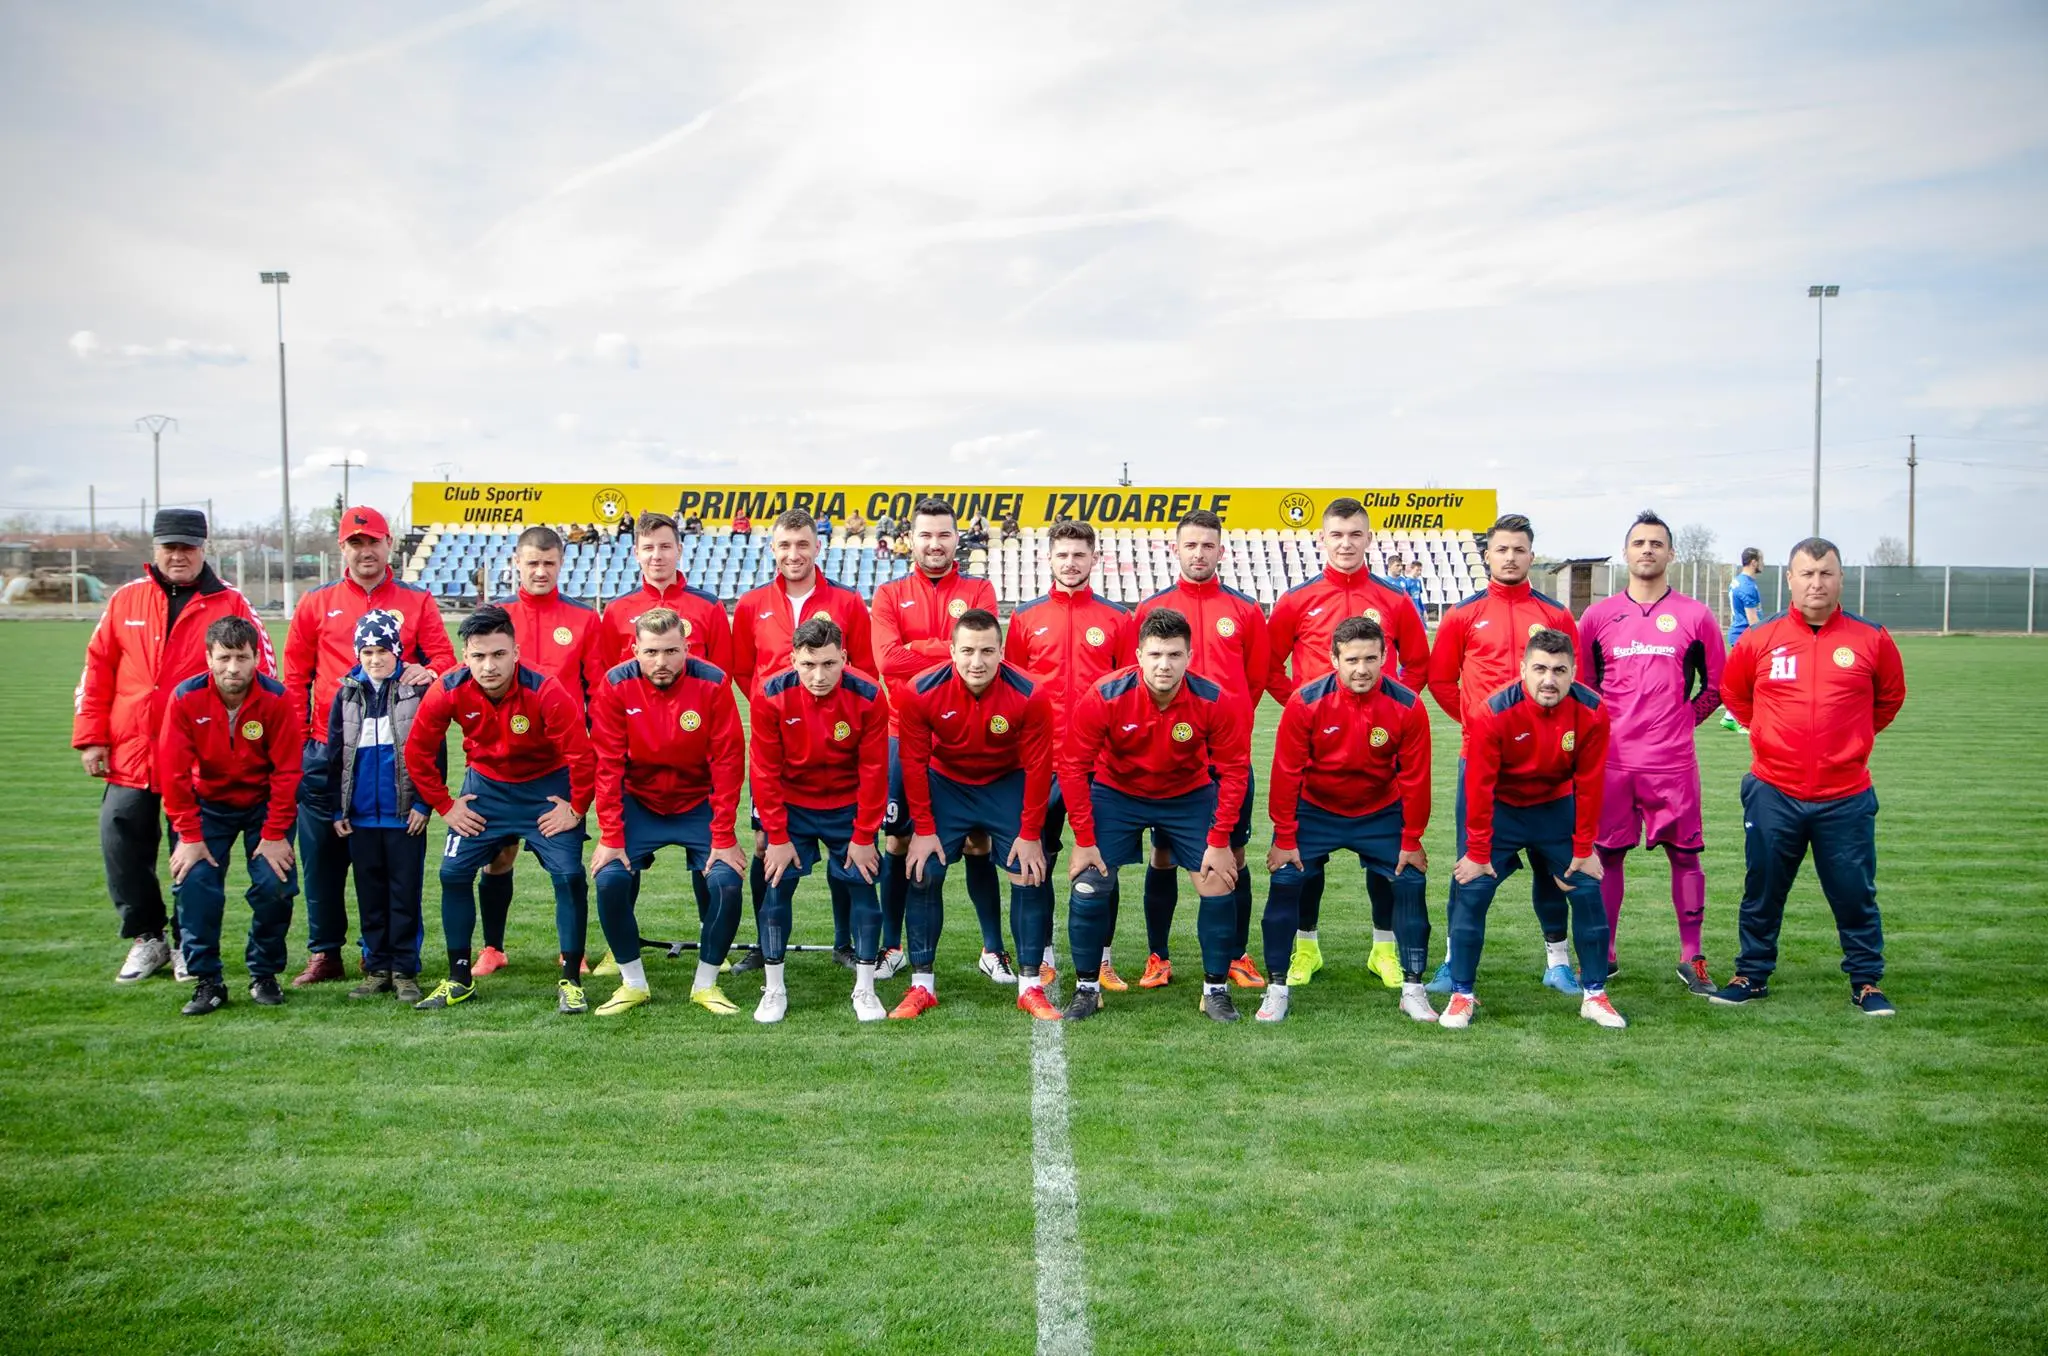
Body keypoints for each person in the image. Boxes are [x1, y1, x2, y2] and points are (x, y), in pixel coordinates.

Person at [74, 508, 271, 985]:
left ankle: (187, 943)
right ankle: (148, 937)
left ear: (203, 549)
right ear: (155, 549)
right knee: (121, 842)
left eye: (187, 547)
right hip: (132, 751)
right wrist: (92, 737)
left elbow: (261, 675)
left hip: (201, 756)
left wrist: (241, 746)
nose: (178, 555)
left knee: (192, 849)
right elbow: (97, 668)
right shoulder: (127, 599)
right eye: (170, 547)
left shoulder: (231, 602)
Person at [1712, 537, 1906, 1016]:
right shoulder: (1760, 638)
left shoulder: (1871, 638)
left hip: (1845, 795)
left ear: (1840, 579)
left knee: (1854, 892)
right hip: (1773, 790)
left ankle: (1866, 982)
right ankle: (1751, 974)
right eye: (1807, 573)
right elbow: (1735, 695)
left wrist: (1848, 740)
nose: (1816, 583)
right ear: (1790, 580)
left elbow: (1889, 699)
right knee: (1762, 889)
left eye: (1826, 573)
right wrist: (1773, 736)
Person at [1265, 498, 1432, 990]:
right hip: (1316, 758)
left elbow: (1418, 663)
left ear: (1369, 539)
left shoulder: (1394, 600)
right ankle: (1306, 949)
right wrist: (1304, 709)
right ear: (1322, 539)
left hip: (1377, 759)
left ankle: (1384, 951)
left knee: (1387, 866)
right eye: (1336, 534)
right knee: (1305, 866)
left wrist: (1391, 711)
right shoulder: (1296, 599)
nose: (1345, 543)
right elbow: (1270, 666)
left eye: (1355, 534)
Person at [283, 506, 454, 988]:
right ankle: (325, 952)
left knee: (389, 868)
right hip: (328, 749)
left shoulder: (417, 600)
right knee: (322, 860)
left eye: (373, 541)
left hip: (394, 752)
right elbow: (295, 676)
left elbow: (444, 659)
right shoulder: (316, 602)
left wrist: (429, 671)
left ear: (388, 544)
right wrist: (298, 745)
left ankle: (382, 957)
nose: (365, 551)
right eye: (355, 543)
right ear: (343, 549)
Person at [1057, 609, 1253, 1024]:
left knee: (1218, 881)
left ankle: (1215, 992)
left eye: (1174, 655)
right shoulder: (1105, 695)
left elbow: (1234, 772)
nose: (1165, 665)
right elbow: (1073, 766)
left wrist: (1220, 840)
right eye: (1156, 655)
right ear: (1138, 656)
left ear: (1189, 657)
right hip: (1118, 793)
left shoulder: (1214, 699)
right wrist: (1085, 839)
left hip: (1187, 795)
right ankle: (1087, 988)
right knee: (1089, 883)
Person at [404, 606, 596, 1014]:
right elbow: (417, 751)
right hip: (486, 788)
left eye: (498, 654)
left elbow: (582, 754)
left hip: (545, 788)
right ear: (465, 656)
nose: (488, 666)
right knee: (452, 873)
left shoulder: (545, 689)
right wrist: (445, 806)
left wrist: (576, 808)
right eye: (478, 656)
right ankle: (459, 978)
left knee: (569, 874)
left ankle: (571, 979)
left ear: (516, 652)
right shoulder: (448, 687)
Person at [1425, 512, 1582, 995]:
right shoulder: (1463, 614)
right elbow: (1440, 681)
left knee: (1554, 868)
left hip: (1549, 764)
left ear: (1531, 556)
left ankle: (1558, 962)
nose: (1510, 557)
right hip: (1484, 764)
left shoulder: (1555, 615)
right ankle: (1453, 962)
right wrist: (1478, 727)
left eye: (1519, 550)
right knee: (1469, 866)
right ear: (1487, 555)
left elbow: (1574, 682)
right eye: (1502, 549)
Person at [1442, 630, 1625, 1030]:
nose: (1549, 679)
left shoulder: (1592, 710)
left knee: (1587, 887)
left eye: (1559, 670)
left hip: (1554, 809)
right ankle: (1462, 995)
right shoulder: (1492, 712)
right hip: (1502, 810)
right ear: (1523, 669)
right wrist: (1478, 851)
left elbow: (1590, 784)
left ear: (1573, 672)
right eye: (1540, 668)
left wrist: (1584, 848)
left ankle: (1595, 995)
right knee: (1472, 888)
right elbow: (1479, 787)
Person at [1576, 512, 1727, 994]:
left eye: (1656, 543)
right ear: (1625, 553)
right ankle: (1605, 954)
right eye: (1639, 542)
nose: (1647, 550)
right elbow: (1585, 686)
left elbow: (1716, 686)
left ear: (1671, 554)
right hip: (1613, 763)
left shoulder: (1696, 616)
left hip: (1672, 764)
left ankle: (1692, 956)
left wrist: (1682, 722)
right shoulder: (1597, 617)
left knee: (1686, 857)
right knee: (1606, 856)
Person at [1260, 616, 1434, 1023]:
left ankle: (1413, 990)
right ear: (1333, 659)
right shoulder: (1305, 702)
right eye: (1352, 660)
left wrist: (1412, 839)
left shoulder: (1408, 705)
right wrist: (1284, 836)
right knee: (1285, 879)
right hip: (1316, 808)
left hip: (1379, 810)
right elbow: (1286, 773)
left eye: (1371, 659)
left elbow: (1416, 778)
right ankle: (1276, 989)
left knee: (1410, 880)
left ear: (1385, 657)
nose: (1362, 669)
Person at [896, 608, 1060, 1021]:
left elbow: (1039, 767)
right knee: (923, 870)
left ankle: (1029, 986)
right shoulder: (920, 690)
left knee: (1029, 870)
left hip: (1005, 783)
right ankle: (922, 985)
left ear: (1002, 652)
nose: (977, 661)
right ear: (951, 651)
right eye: (967, 651)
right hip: (947, 784)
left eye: (987, 651)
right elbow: (913, 762)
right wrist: (924, 828)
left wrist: (1030, 832)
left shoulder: (1030, 693)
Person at [1133, 509, 1271, 992]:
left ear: (1221, 550)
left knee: (1234, 853)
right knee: (1164, 855)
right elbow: (1141, 678)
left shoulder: (1245, 610)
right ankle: (1158, 956)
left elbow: (1255, 679)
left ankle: (1236, 954)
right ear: (1176, 549)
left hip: (1227, 759)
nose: (1198, 553)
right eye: (1190, 545)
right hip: (1171, 762)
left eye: (1207, 545)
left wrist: (1227, 728)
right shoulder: (1152, 608)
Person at [731, 510, 876, 970]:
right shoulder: (752, 604)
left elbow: (863, 667)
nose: (793, 554)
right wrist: (775, 710)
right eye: (785, 545)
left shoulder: (848, 601)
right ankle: (764, 944)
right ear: (773, 549)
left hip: (836, 741)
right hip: (780, 740)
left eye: (802, 544)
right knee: (765, 846)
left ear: (817, 547)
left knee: (846, 850)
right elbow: (742, 668)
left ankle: (844, 943)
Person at [869, 497, 1004, 982]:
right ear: (911, 539)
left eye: (944, 534)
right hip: (901, 734)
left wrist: (917, 648)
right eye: (925, 535)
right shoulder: (889, 594)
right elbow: (886, 661)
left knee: (978, 840)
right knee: (899, 839)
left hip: (965, 736)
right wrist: (948, 651)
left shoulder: (979, 589)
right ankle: (891, 947)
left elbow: (982, 658)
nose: (934, 543)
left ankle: (993, 950)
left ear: (956, 539)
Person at [588, 608, 748, 1017]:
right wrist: (611, 835)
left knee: (727, 881)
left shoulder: (712, 682)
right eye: (652, 652)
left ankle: (706, 985)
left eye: (671, 651)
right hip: (639, 801)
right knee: (609, 878)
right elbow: (607, 765)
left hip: (697, 801)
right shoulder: (616, 684)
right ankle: (633, 983)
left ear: (686, 648)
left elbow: (729, 761)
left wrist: (724, 835)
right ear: (635, 650)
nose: (661, 661)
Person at [1004, 520, 1138, 988]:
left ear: (1094, 559)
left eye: (1079, 554)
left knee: (1102, 863)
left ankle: (1102, 959)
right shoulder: (1025, 617)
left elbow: (1130, 690)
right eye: (1062, 554)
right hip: (1040, 764)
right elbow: (1013, 690)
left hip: (1098, 765)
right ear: (1049, 559)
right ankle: (1041, 956)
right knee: (1035, 861)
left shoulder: (1117, 618)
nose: (1071, 563)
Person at [477, 525, 612, 978]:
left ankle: (571, 952)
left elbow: (596, 691)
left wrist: (593, 749)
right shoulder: (496, 616)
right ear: (516, 563)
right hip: (502, 763)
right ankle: (492, 948)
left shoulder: (583, 619)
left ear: (561, 564)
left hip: (558, 764)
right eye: (532, 563)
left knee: (565, 863)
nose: (540, 571)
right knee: (500, 856)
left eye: (549, 563)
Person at [158, 616, 303, 1016]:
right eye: (224, 658)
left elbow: (288, 771)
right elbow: (172, 771)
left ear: (256, 658)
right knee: (195, 884)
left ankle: (264, 974)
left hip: (263, 805)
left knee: (275, 885)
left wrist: (275, 833)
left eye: (242, 657)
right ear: (209, 658)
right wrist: (189, 835)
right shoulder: (186, 698)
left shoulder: (276, 698)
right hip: (208, 806)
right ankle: (208, 981)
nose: (233, 668)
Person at [749, 617, 890, 1022]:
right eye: (809, 665)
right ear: (793, 659)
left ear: (844, 657)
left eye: (829, 664)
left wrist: (863, 836)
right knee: (776, 886)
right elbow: (764, 772)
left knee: (864, 884)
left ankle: (865, 988)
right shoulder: (770, 695)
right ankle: (774, 989)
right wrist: (777, 836)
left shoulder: (868, 695)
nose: (819, 675)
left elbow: (874, 771)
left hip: (847, 807)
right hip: (792, 806)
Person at [325, 612, 432, 1004]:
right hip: (361, 819)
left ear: (397, 651)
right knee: (370, 895)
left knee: (404, 895)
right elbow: (336, 755)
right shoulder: (346, 694)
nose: (375, 659)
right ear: (358, 653)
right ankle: (376, 967)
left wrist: (423, 803)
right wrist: (339, 810)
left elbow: (430, 751)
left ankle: (405, 969)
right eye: (367, 652)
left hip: (404, 817)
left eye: (383, 650)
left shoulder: (413, 692)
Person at [600, 511, 734, 674]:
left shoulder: (710, 606)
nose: (657, 556)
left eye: (665, 547)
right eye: (648, 548)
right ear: (637, 553)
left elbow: (721, 674)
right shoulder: (616, 610)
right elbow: (609, 674)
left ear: (679, 550)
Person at [1723, 548, 1765, 730]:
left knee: (1749, 677)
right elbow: (1753, 619)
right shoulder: (1747, 586)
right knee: (1751, 678)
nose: (1763, 563)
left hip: (1739, 634)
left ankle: (1730, 716)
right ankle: (1734, 717)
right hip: (1745, 635)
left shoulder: (1739, 581)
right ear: (1754, 562)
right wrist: (1764, 640)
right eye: (1761, 560)